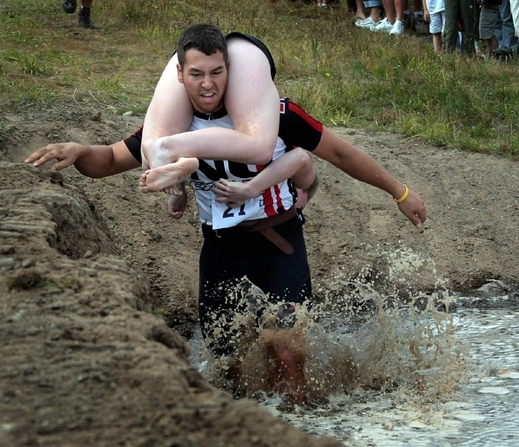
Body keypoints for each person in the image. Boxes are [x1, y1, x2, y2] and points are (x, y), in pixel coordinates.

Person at [26, 25, 426, 404]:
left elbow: (340, 153)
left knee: (283, 346)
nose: (208, 84)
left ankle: (300, 421)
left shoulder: (277, 114)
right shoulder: (173, 128)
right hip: (220, 250)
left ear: (229, 71)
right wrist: (79, 151)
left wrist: (399, 191)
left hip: (280, 242)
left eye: (217, 72)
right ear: (180, 75)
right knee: (227, 364)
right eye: (197, 74)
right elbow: (110, 159)